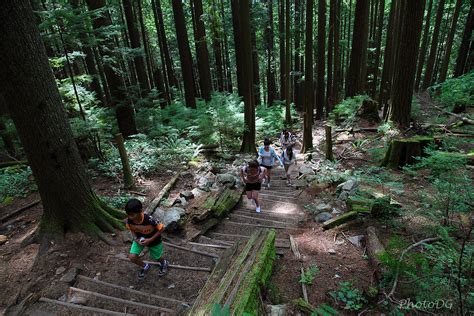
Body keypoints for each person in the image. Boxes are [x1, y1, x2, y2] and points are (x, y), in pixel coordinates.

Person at [125, 198, 169, 279]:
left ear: (140, 211)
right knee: (132, 257)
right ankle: (145, 266)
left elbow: (161, 229)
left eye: (132, 214)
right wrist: (135, 238)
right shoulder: (129, 221)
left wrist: (150, 240)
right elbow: (131, 228)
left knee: (157, 257)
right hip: (139, 240)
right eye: (128, 214)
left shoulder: (149, 219)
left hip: (154, 241)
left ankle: (164, 263)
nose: (130, 217)